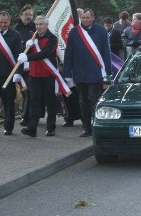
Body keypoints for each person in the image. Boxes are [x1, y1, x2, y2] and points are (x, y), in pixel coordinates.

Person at [63, 9, 113, 137]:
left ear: (93, 17)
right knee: (82, 101)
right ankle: (86, 127)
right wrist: (67, 74)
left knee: (93, 99)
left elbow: (106, 53)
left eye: (87, 17)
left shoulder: (101, 30)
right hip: (80, 72)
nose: (85, 20)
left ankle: (95, 124)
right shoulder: (75, 32)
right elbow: (69, 53)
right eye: (83, 18)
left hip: (95, 72)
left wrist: (108, 72)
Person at [18, 16, 64, 137]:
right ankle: (32, 128)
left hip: (48, 74)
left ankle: (51, 127)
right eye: (37, 24)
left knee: (50, 101)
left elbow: (45, 53)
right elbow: (25, 51)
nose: (38, 26)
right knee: (34, 102)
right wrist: (25, 46)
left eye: (41, 24)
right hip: (34, 74)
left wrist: (27, 57)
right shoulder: (32, 36)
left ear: (46, 25)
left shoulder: (52, 38)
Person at [14, 5, 35, 127]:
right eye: (26, 14)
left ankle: (26, 116)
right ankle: (27, 115)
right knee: (24, 92)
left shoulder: (36, 28)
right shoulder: (16, 29)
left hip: (32, 66)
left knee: (30, 92)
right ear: (20, 15)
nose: (28, 17)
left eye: (30, 15)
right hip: (19, 66)